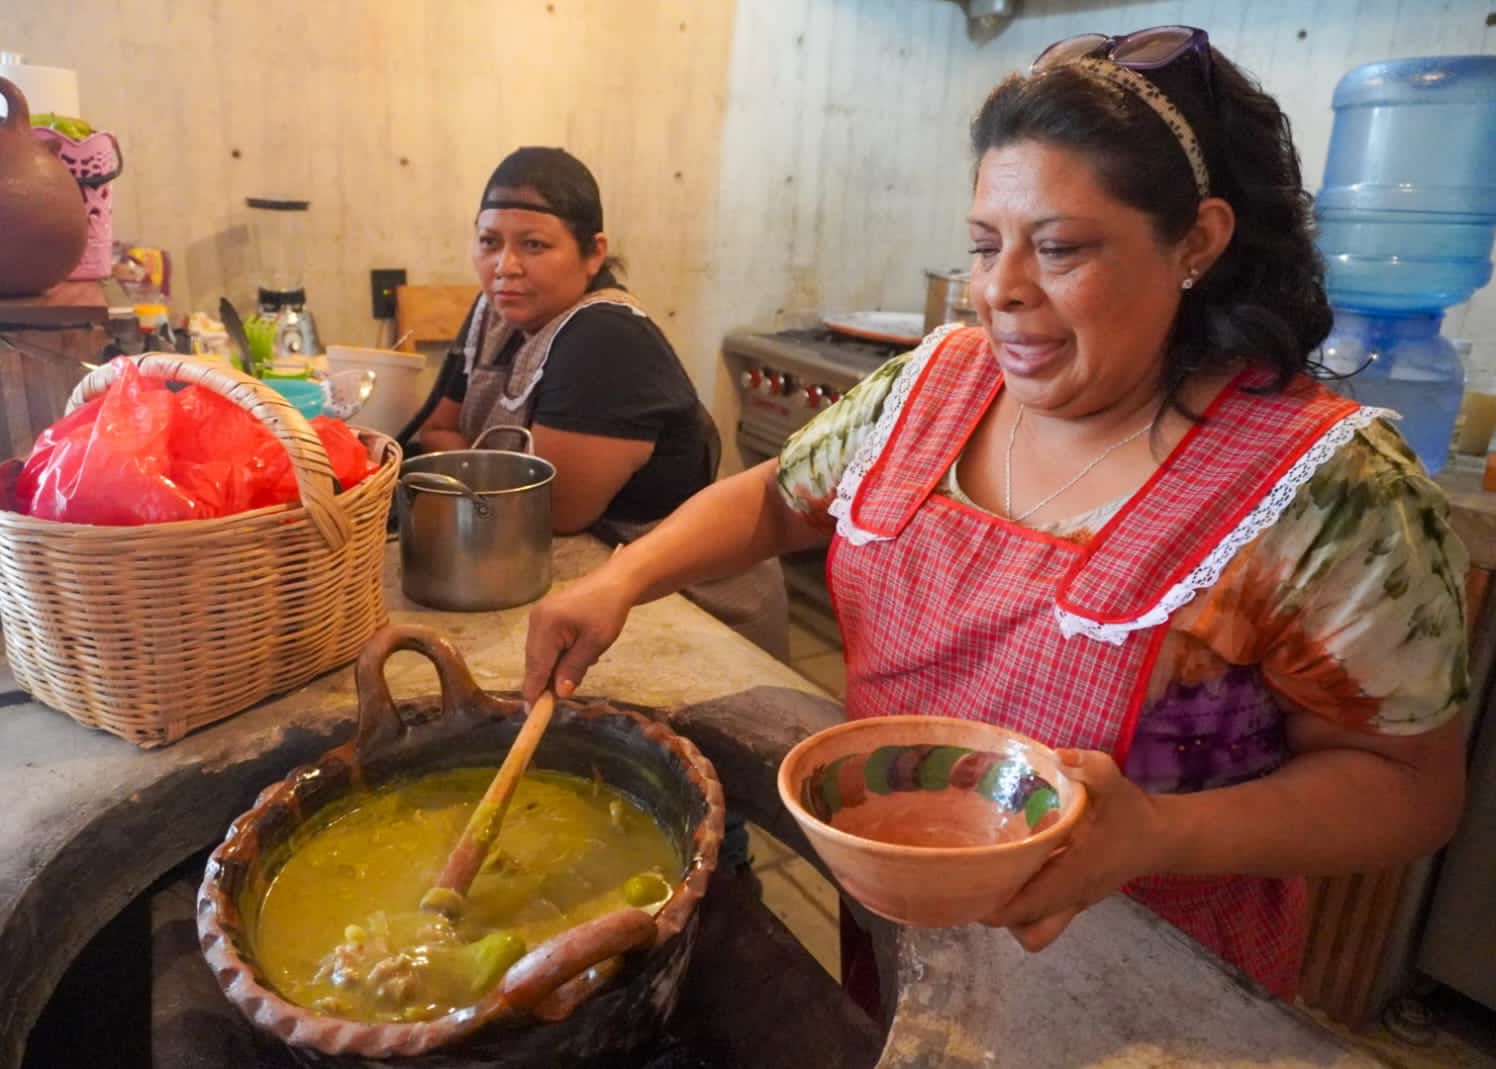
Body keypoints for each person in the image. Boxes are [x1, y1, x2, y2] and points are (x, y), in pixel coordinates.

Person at [521, 26, 1468, 1002]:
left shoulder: (1328, 488)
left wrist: (1157, 829)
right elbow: (775, 498)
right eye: (984, 244)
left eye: (1057, 247)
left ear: (1197, 240)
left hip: (1147, 994)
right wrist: (618, 579)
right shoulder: (933, 384)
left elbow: (1408, 786)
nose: (1001, 290)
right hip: (900, 935)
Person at [411, 146, 788, 658]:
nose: (505, 266)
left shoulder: (604, 337)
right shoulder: (494, 311)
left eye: (535, 245)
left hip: (691, 601)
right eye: (489, 242)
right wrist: (477, 466)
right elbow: (431, 432)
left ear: (593, 253)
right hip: (582, 568)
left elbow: (547, 509)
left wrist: (464, 456)